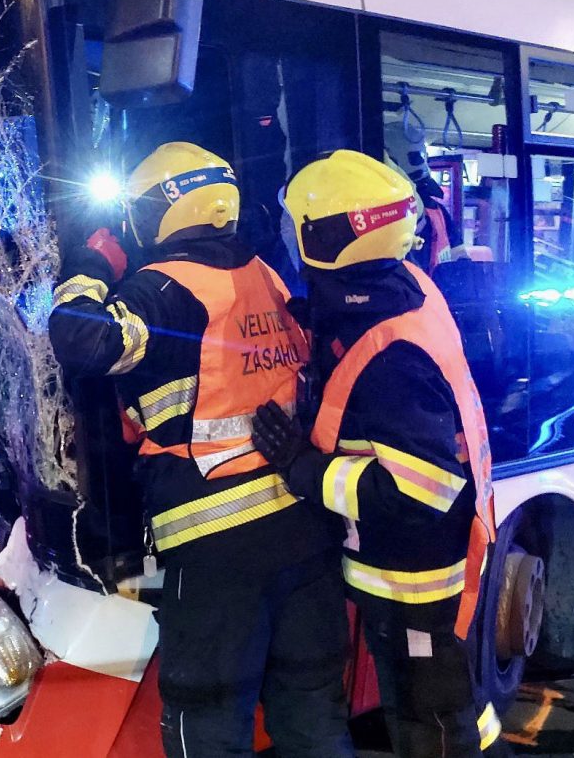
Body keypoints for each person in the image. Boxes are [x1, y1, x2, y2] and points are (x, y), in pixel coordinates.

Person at [49, 142, 353, 758]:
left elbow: (80, 338)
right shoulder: (266, 276)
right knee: (313, 723)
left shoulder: (163, 289)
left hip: (216, 555)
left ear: (163, 209)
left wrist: (91, 264)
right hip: (305, 533)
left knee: (208, 728)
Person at [253, 149, 505, 757]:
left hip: (414, 582)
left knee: (431, 725)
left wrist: (303, 470)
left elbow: (420, 490)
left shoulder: (393, 358)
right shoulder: (404, 282)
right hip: (410, 572)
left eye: (297, 227)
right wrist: (317, 313)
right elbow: (362, 312)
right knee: (449, 709)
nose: (289, 237)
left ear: (329, 238)